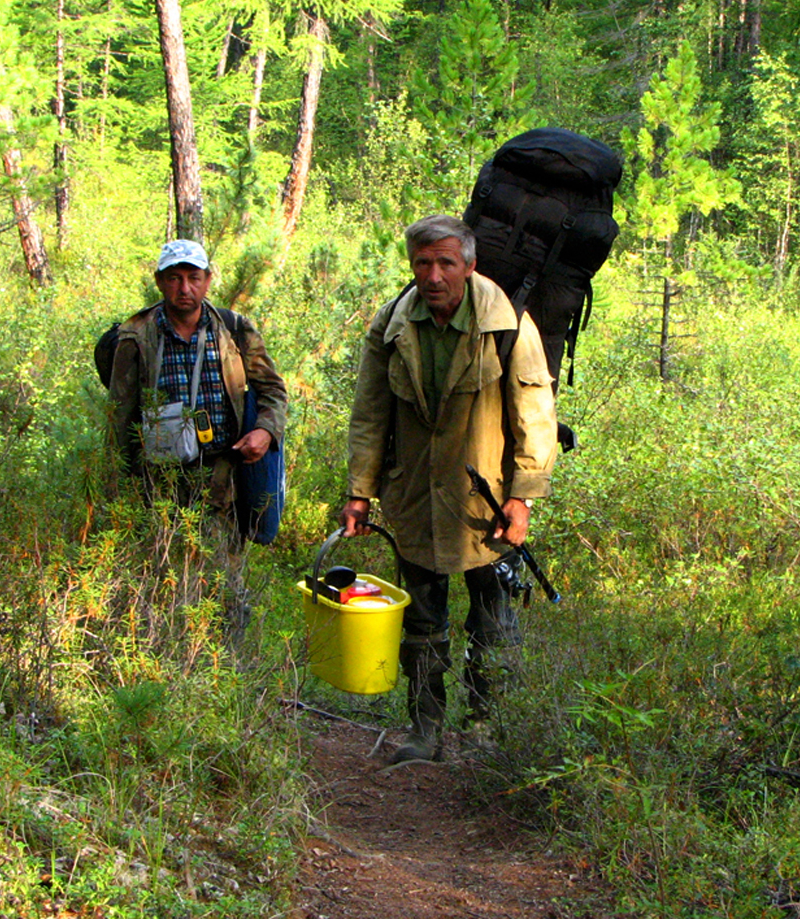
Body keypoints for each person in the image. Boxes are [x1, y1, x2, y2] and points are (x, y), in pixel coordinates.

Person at [341, 215, 558, 763]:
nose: (433, 276)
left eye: (445, 263)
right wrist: (360, 492)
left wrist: (522, 496)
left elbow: (536, 414)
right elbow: (369, 413)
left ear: (469, 265)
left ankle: (484, 728)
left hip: (487, 504)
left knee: (492, 620)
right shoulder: (392, 324)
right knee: (421, 619)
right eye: (422, 263)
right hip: (415, 493)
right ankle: (425, 732)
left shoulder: (507, 324)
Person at [108, 239, 288, 647]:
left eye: (193, 277)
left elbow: (273, 390)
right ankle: (165, 652)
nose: (184, 288)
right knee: (161, 567)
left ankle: (228, 659)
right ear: (160, 282)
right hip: (160, 476)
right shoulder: (136, 335)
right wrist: (118, 484)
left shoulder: (234, 330)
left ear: (208, 281)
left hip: (223, 471)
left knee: (225, 569)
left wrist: (265, 431)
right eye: (174, 278)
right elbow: (118, 415)